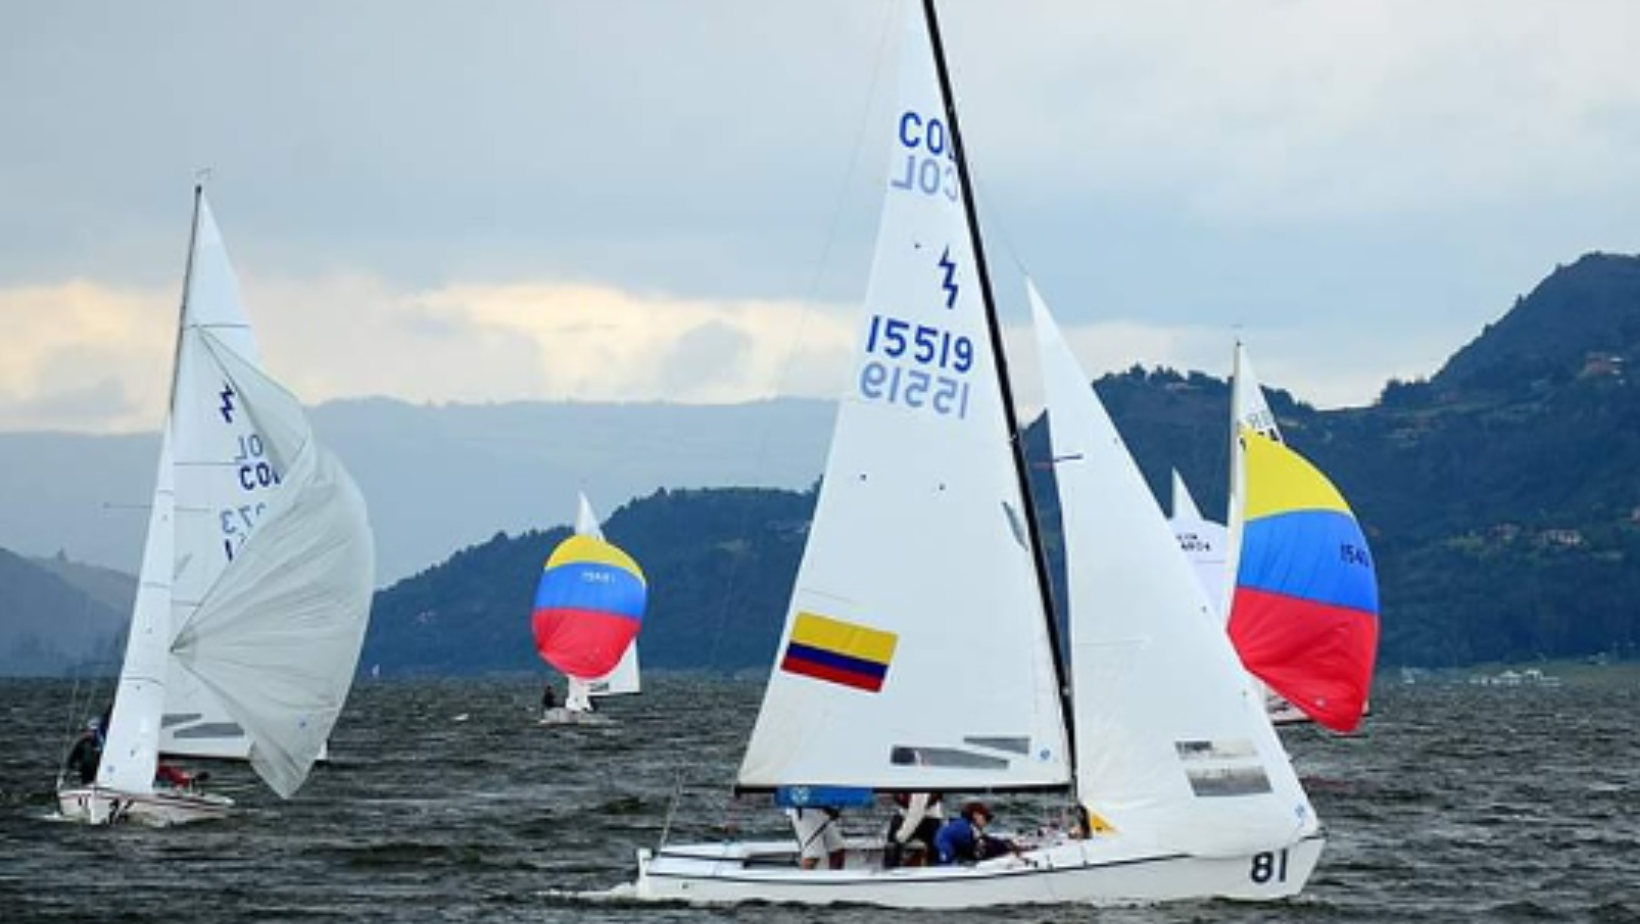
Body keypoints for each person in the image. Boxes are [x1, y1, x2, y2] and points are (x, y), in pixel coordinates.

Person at [933, 801, 1016, 865]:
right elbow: (979, 852)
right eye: (987, 818)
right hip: (945, 863)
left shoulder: (961, 824)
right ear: (976, 815)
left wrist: (1005, 843)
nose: (987, 822)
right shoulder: (965, 829)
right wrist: (1008, 849)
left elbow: (983, 839)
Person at [883, 791, 943, 868]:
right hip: (905, 815)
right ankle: (890, 868)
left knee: (936, 844)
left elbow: (916, 813)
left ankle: (934, 868)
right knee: (892, 842)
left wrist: (900, 837)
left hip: (929, 818)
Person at [788, 805, 846, 870]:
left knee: (837, 850)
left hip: (823, 809)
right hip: (805, 811)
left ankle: (834, 878)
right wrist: (828, 809)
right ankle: (803, 878)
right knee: (812, 855)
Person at [63, 717, 104, 785]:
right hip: (85, 771)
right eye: (91, 730)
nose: (93, 733)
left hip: (100, 772)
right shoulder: (82, 742)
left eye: (95, 731)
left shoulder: (104, 743)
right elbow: (72, 757)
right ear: (88, 730)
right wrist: (70, 767)